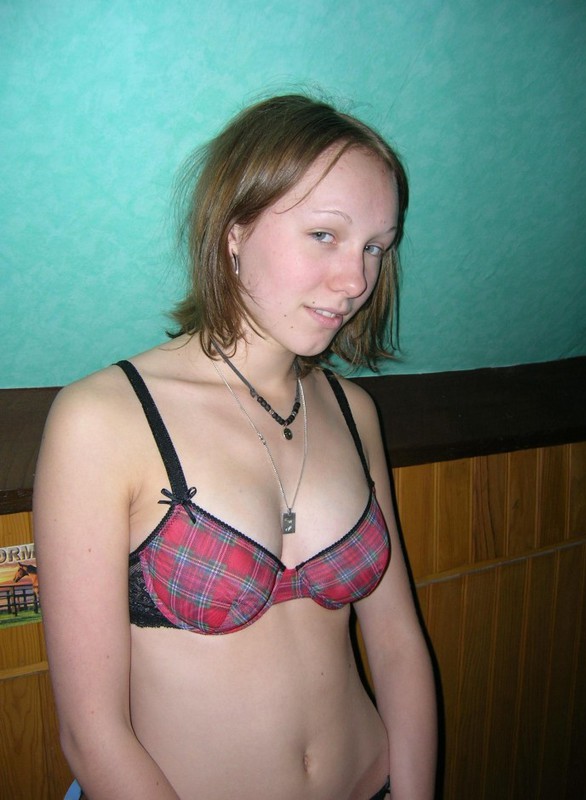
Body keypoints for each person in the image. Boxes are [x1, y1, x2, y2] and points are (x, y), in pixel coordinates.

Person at [34, 93, 437, 800]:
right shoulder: (102, 420)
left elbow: (399, 646)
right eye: (325, 235)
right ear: (234, 230)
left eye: (376, 247)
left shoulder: (354, 413)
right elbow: (92, 733)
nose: (356, 281)